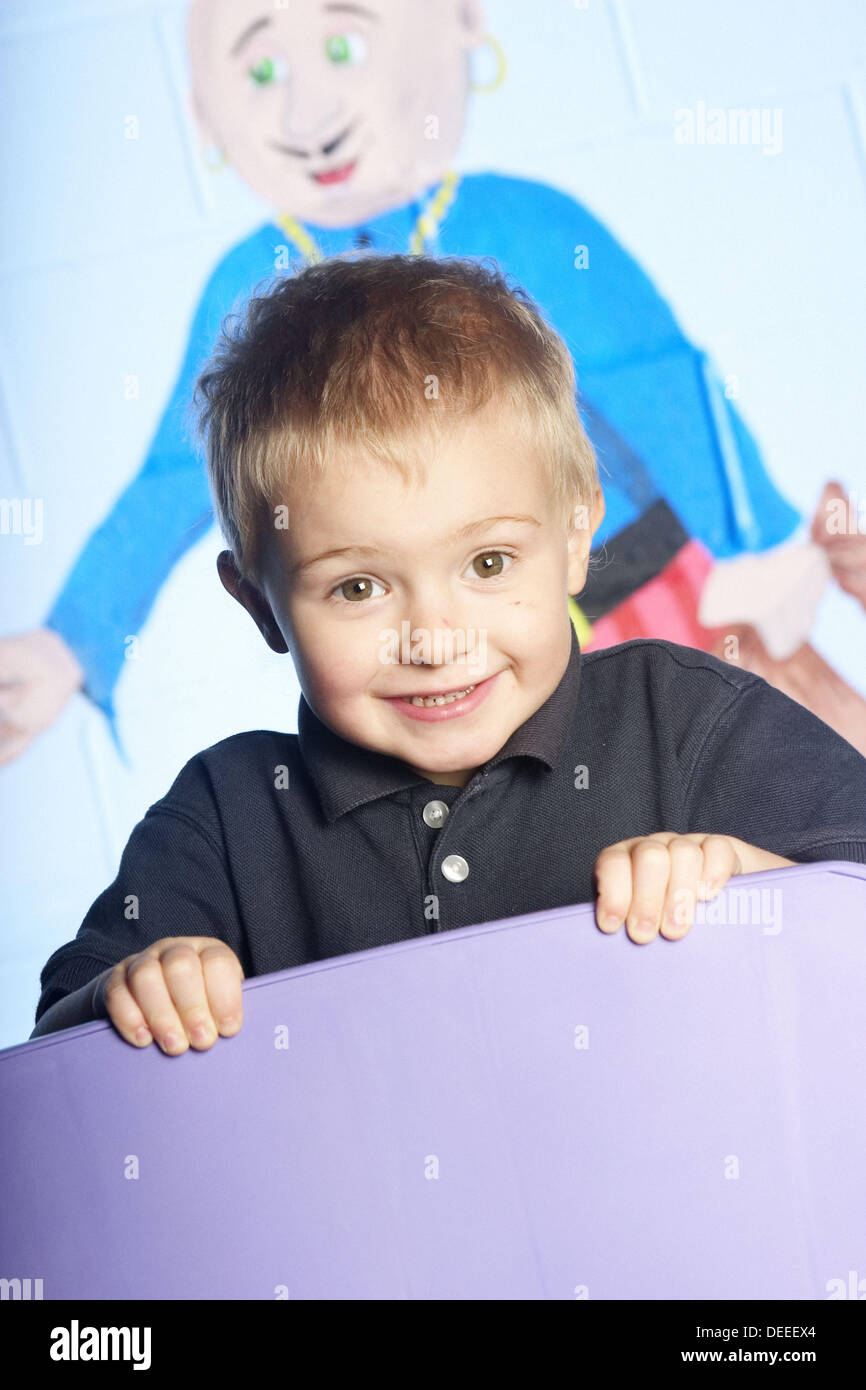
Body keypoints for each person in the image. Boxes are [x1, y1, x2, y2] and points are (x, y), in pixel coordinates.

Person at [31, 254, 866, 1052]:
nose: (435, 640)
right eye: (358, 588)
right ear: (258, 603)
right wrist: (134, 998)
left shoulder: (683, 719)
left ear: (578, 536)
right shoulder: (225, 819)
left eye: (489, 564)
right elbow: (63, 1053)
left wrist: (766, 885)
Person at [6, 0, 864, 768]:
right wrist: (70, 642)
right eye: (261, 70)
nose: (307, 110)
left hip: (649, 596)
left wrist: (751, 549)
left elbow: (661, 384)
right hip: (451, 698)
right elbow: (172, 475)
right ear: (203, 108)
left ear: (460, 20)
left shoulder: (524, 220)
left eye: (343, 46)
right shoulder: (247, 282)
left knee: (745, 798)